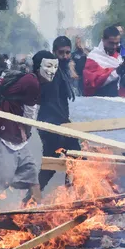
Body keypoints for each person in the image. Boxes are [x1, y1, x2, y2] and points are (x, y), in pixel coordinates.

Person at [0, 50, 58, 205]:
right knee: (1, 179)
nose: (52, 71)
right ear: (38, 67)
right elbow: (30, 116)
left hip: (16, 136)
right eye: (49, 66)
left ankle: (39, 207)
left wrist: (24, 134)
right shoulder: (32, 82)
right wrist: (27, 132)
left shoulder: (35, 82)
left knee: (30, 172)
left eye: (55, 66)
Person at [38, 37, 81, 191]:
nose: (65, 56)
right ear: (54, 52)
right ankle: (31, 197)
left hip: (58, 122)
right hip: (51, 123)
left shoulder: (62, 71)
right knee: (54, 162)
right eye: (61, 53)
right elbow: (51, 102)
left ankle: (69, 190)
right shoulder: (52, 73)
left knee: (72, 157)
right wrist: (64, 124)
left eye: (68, 52)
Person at [83, 26, 125, 97]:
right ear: (103, 40)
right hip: (99, 101)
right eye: (111, 43)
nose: (114, 47)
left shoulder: (120, 57)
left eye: (117, 43)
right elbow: (91, 83)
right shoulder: (93, 58)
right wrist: (116, 72)